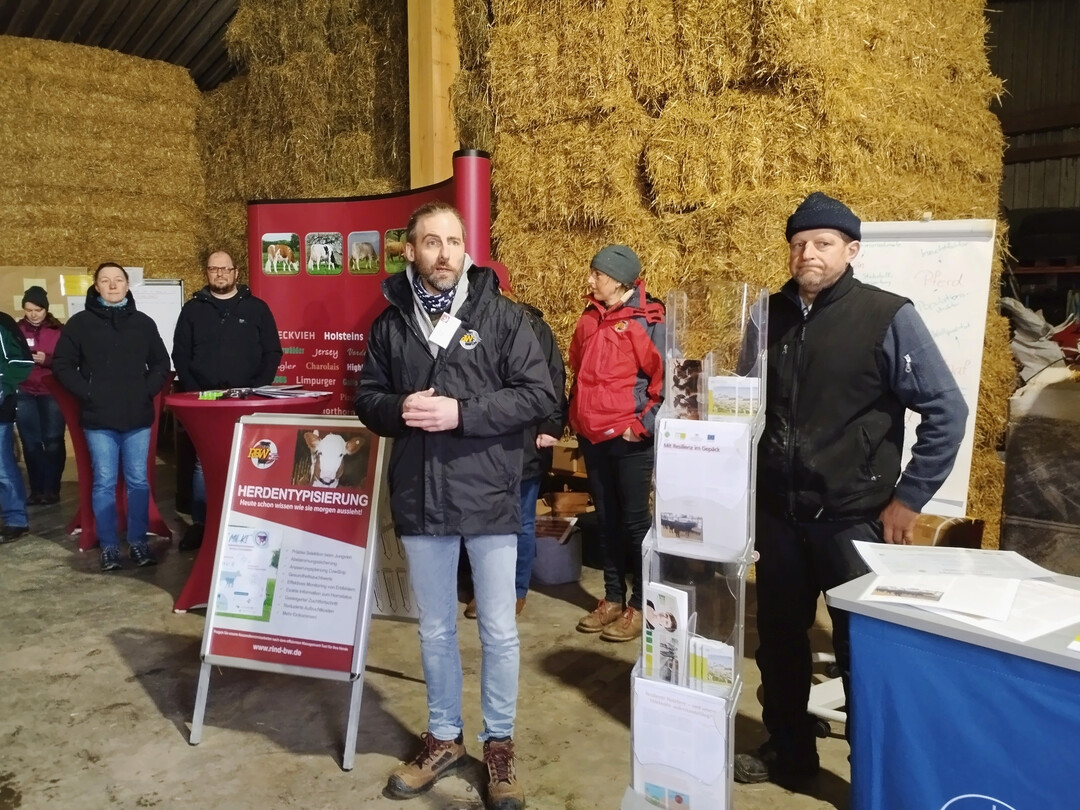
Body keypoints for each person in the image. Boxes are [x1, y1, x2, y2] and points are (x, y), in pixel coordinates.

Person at [733, 192, 968, 788]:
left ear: (852, 250)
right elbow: (742, 406)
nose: (807, 253)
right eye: (798, 243)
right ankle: (789, 752)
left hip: (851, 520)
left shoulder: (888, 316)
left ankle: (873, 770)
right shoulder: (766, 315)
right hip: (779, 519)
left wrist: (909, 498)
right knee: (780, 642)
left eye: (823, 243)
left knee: (862, 650)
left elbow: (945, 408)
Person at [354, 201, 556, 810]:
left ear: (467, 250)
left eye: (454, 241)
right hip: (420, 496)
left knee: (497, 629)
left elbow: (539, 395)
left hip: (490, 493)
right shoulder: (390, 325)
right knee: (436, 628)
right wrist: (396, 409)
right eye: (431, 241)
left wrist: (462, 413)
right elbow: (367, 397)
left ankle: (499, 744)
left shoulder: (503, 317)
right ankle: (444, 735)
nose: (444, 252)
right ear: (410, 250)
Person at [569, 244, 665, 643]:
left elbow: (665, 385)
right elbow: (577, 369)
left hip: (629, 440)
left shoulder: (648, 320)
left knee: (634, 522)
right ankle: (611, 598)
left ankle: (641, 605)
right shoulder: (589, 320)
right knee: (605, 519)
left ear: (620, 280)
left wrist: (640, 428)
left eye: (597, 274)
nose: (590, 280)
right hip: (593, 437)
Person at [52, 263, 171, 572]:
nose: (113, 285)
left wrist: (146, 390)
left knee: (137, 480)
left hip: (137, 416)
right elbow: (63, 365)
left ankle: (138, 542)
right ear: (96, 286)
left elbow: (161, 362)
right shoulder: (80, 324)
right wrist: (88, 391)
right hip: (99, 418)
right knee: (104, 481)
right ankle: (108, 546)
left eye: (118, 280)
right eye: (105, 280)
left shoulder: (143, 323)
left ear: (127, 285)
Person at [464, 295, 567, 619]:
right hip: (480, 443)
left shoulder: (535, 328)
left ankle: (515, 590)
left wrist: (551, 425)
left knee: (520, 521)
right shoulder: (467, 330)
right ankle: (485, 589)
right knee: (481, 520)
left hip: (524, 441)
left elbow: (554, 379)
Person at [172, 250, 283, 550]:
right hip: (204, 401)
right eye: (213, 269)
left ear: (236, 273)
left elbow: (273, 351)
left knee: (252, 460)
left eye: (225, 269)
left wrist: (256, 389)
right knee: (202, 462)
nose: (219, 274)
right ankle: (202, 523)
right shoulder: (192, 311)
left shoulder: (257, 309)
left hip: (247, 400)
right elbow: (180, 354)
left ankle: (251, 521)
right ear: (207, 273)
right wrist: (195, 392)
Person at [15, 286, 67, 506]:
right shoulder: (15, 330)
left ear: (46, 309)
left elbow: (68, 360)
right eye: (28, 310)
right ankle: (37, 490)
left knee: (53, 441)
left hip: (52, 391)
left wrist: (47, 360)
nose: (33, 314)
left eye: (37, 309)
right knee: (31, 442)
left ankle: (52, 488)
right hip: (25, 391)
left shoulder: (59, 331)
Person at [0, 309, 34, 543]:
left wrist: (2, 385)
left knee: (1, 466)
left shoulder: (3, 322)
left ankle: (15, 519)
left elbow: (22, 361)